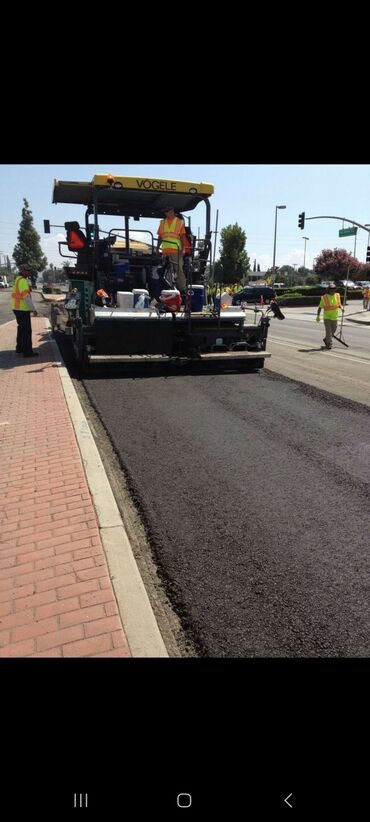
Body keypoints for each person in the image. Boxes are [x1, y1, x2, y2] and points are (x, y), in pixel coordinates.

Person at [156, 205, 186, 294]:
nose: (165, 213)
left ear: (172, 211)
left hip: (176, 251)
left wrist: (183, 249)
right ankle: (167, 288)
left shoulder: (179, 222)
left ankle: (182, 289)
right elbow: (160, 237)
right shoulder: (162, 223)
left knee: (178, 269)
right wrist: (157, 248)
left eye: (167, 211)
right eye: (164, 211)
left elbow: (182, 236)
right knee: (165, 271)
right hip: (165, 251)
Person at [11, 264, 38, 357]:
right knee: (26, 331)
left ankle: (19, 348)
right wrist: (33, 309)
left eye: (29, 270)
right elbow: (26, 297)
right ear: (22, 271)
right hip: (22, 309)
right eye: (27, 270)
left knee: (21, 329)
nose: (28, 272)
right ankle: (27, 352)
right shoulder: (22, 281)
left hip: (17, 308)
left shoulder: (18, 279)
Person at [316, 283, 344, 349]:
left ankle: (326, 339)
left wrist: (342, 308)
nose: (332, 290)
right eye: (331, 289)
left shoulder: (337, 296)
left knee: (333, 331)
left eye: (333, 289)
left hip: (334, 317)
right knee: (328, 332)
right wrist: (318, 316)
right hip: (327, 317)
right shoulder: (324, 297)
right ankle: (329, 344)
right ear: (328, 290)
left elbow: (339, 304)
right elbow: (320, 307)